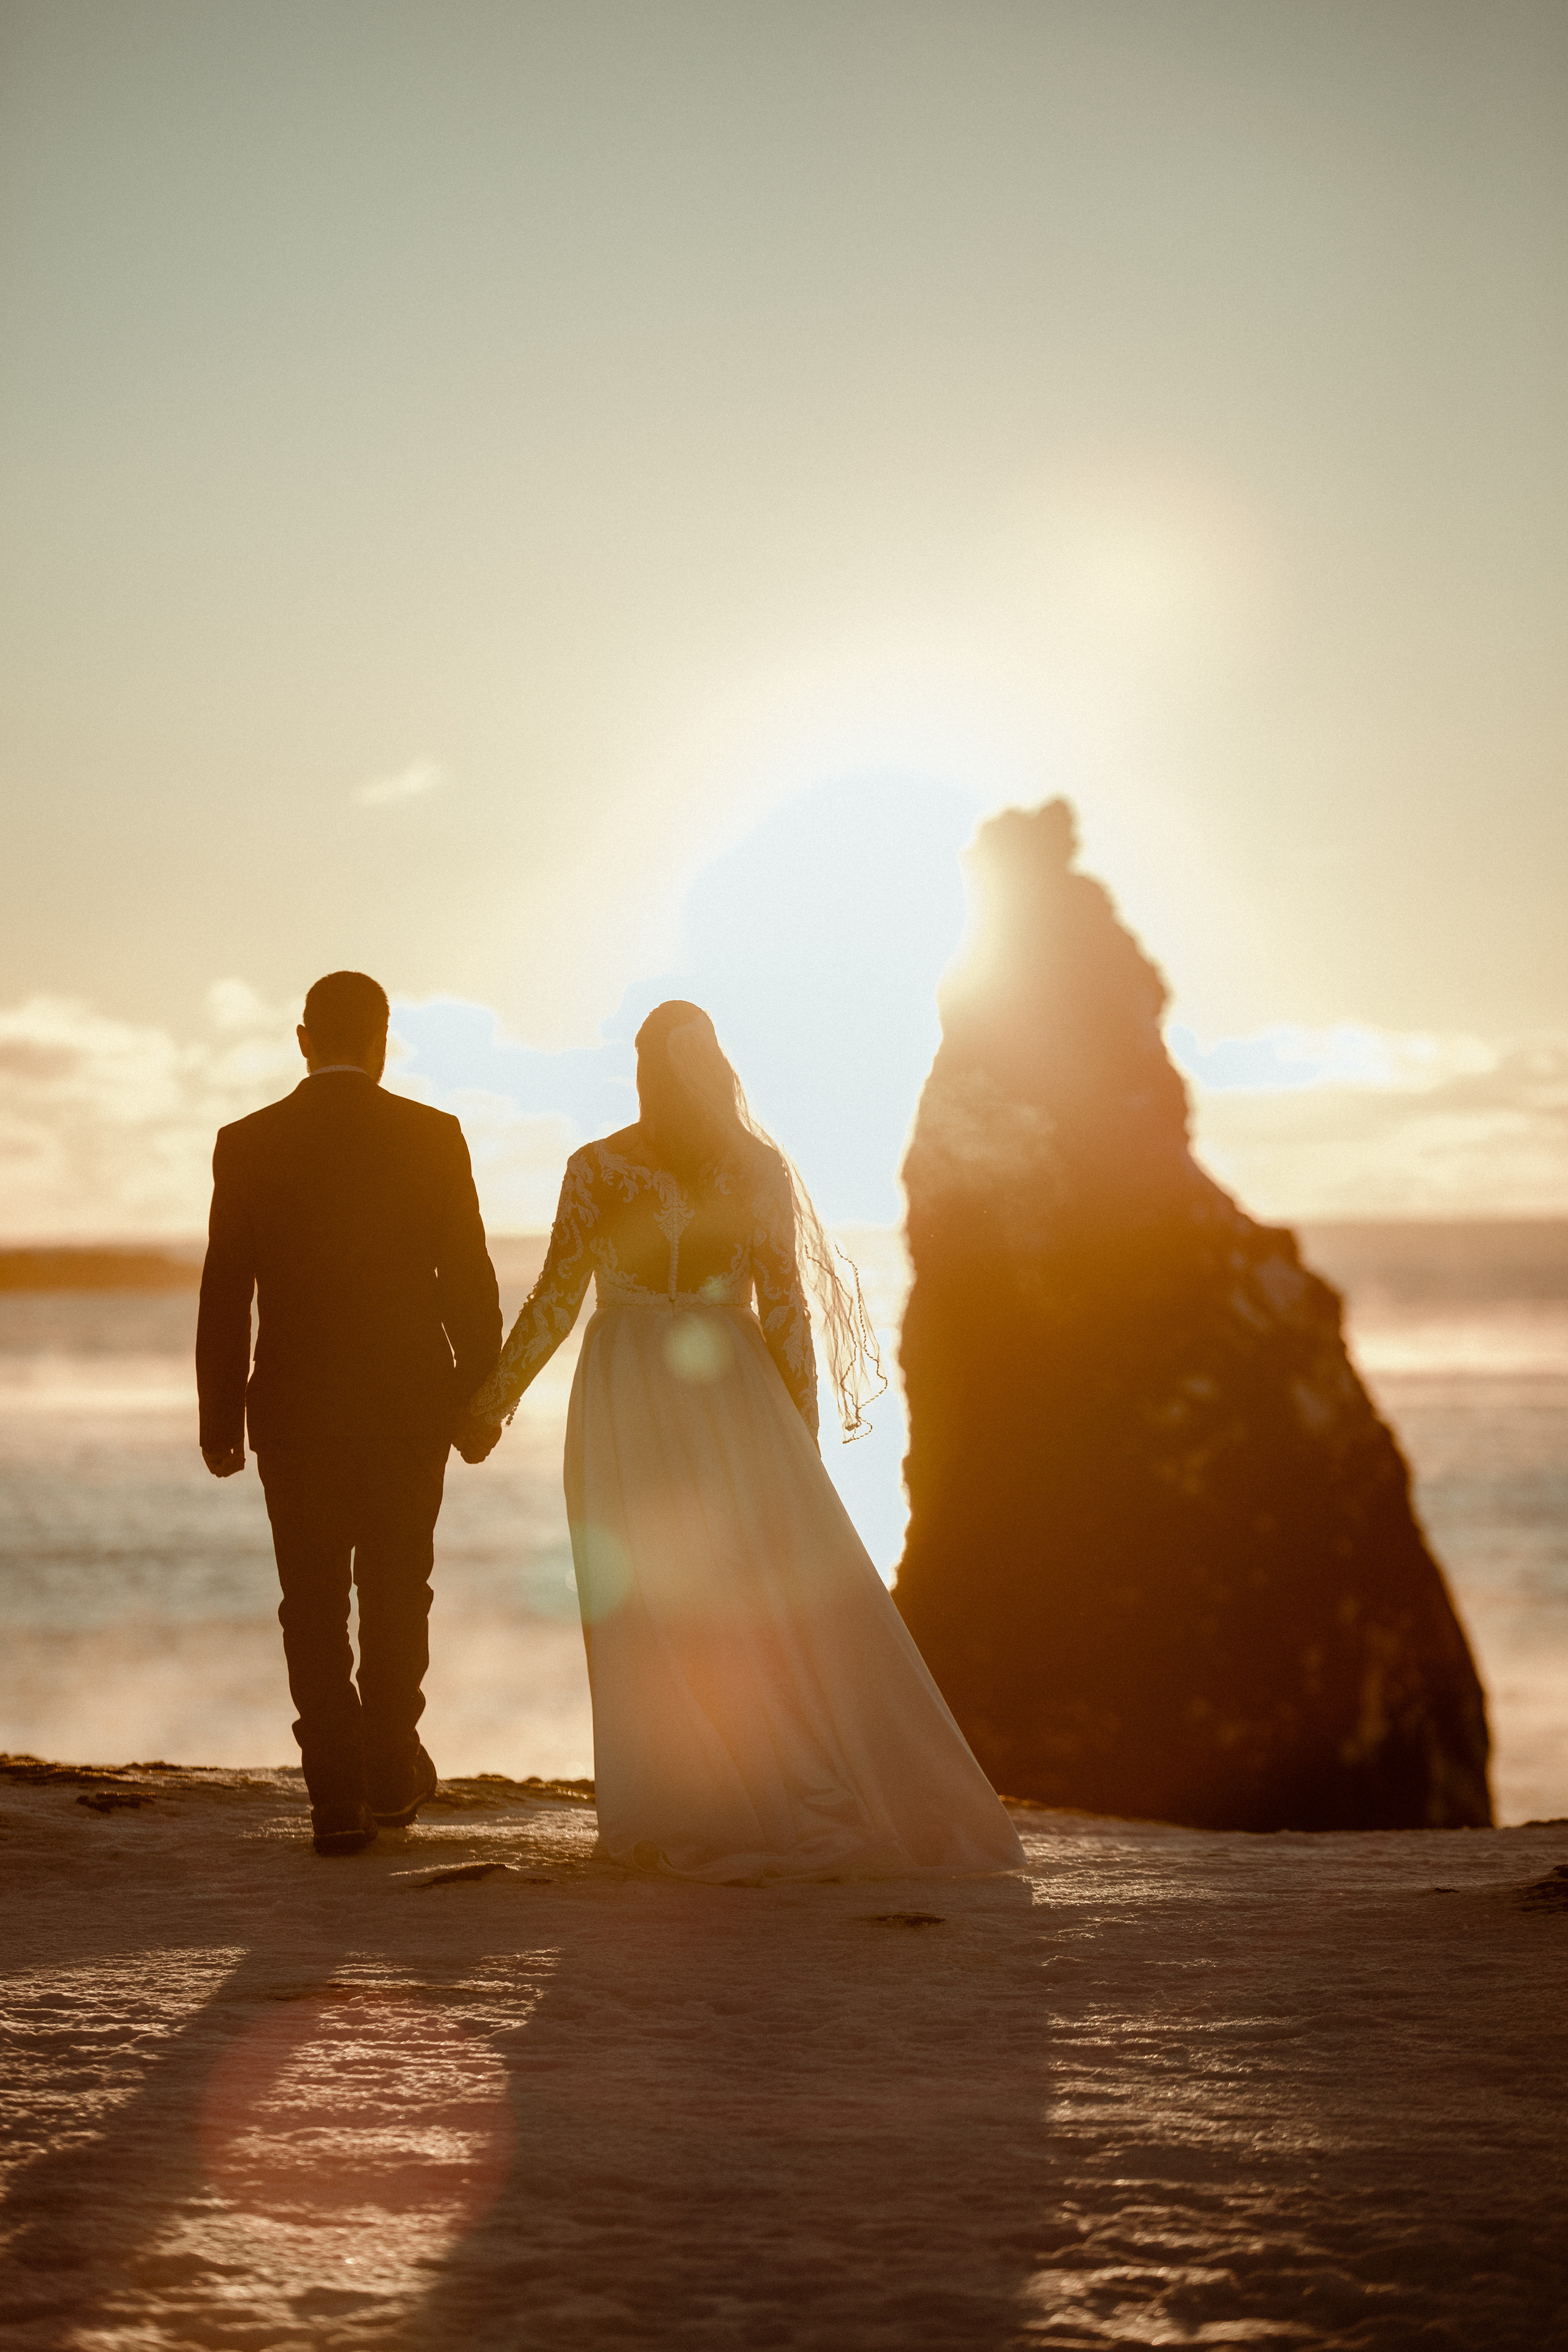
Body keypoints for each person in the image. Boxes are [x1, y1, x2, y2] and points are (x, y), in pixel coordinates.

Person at [467, 1000, 1023, 1882]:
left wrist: (488, 1404)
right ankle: (759, 1783)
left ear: (643, 1070)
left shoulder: (599, 1168)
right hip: (735, 1393)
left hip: (626, 1392)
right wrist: (797, 1434)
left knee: (649, 1598)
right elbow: (790, 1312)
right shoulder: (754, 1168)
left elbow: (556, 1300)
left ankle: (686, 1801)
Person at [195, 970, 503, 1856]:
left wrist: (220, 1420)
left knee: (314, 1602)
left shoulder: (247, 1142)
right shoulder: (433, 1136)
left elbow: (228, 1291)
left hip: (294, 1408)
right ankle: (389, 1765)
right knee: (401, 1590)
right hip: (410, 1403)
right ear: (381, 1039)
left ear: (303, 1040)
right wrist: (480, 1398)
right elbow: (469, 1281)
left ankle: (337, 1795)